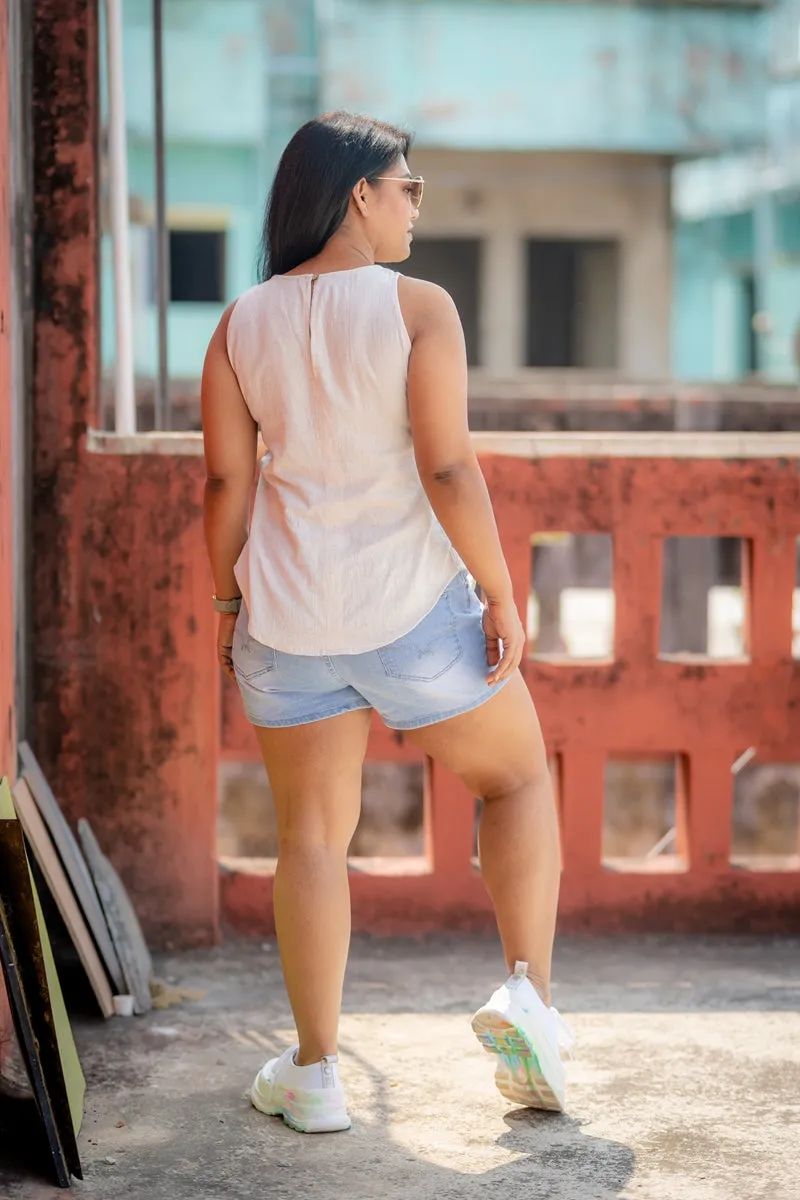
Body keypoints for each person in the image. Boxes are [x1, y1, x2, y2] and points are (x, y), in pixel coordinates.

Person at [201, 111, 570, 1135]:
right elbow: (446, 465)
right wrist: (499, 591)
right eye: (407, 186)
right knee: (516, 775)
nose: (417, 203)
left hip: (287, 618)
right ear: (359, 193)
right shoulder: (418, 309)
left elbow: (227, 482)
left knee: (311, 839)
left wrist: (229, 603)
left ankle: (315, 1074)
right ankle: (527, 998)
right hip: (413, 613)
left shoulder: (240, 322)